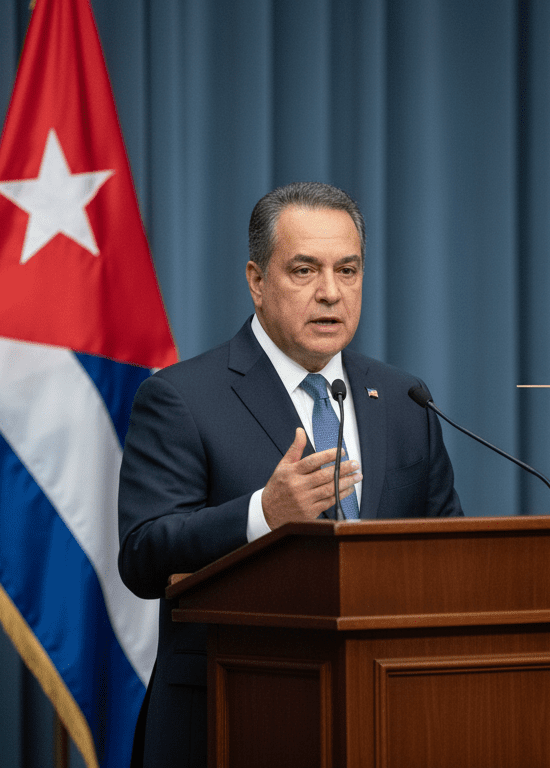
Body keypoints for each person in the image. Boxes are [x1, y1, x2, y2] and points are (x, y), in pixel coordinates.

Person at [117, 183, 464, 768]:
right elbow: (143, 555)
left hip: (387, 717)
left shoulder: (406, 399)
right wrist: (264, 514)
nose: (330, 292)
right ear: (257, 280)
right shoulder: (180, 397)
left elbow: (448, 554)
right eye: (304, 270)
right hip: (232, 719)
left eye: (347, 270)